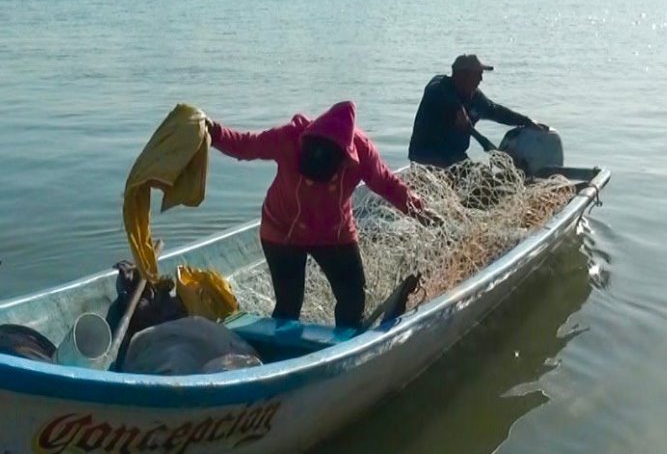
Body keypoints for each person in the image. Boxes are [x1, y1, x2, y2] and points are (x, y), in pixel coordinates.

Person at [206, 101, 424, 330]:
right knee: (289, 304)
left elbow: (386, 184)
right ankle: (282, 353)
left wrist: (418, 209)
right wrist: (213, 131)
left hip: (334, 232)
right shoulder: (289, 136)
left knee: (353, 297)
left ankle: (346, 347)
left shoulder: (362, 150)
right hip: (282, 230)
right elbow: (246, 146)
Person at [408, 54, 547, 168]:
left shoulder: (475, 97)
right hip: (426, 158)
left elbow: (497, 111)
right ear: (462, 75)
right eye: (477, 74)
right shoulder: (439, 87)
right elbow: (437, 90)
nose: (481, 79)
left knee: (484, 175)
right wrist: (456, 107)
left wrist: (526, 121)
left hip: (457, 158)